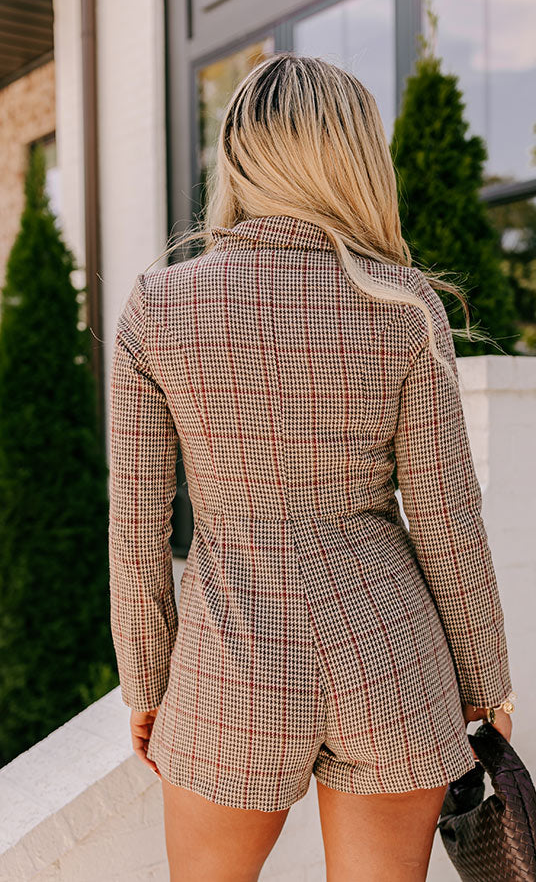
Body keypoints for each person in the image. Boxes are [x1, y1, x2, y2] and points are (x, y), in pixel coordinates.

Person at [108, 53, 515, 882]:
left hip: (230, 663)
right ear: (356, 158)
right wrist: (484, 678)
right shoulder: (403, 305)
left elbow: (136, 526)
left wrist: (146, 680)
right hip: (392, 656)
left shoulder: (160, 304)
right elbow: (447, 518)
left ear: (239, 159)